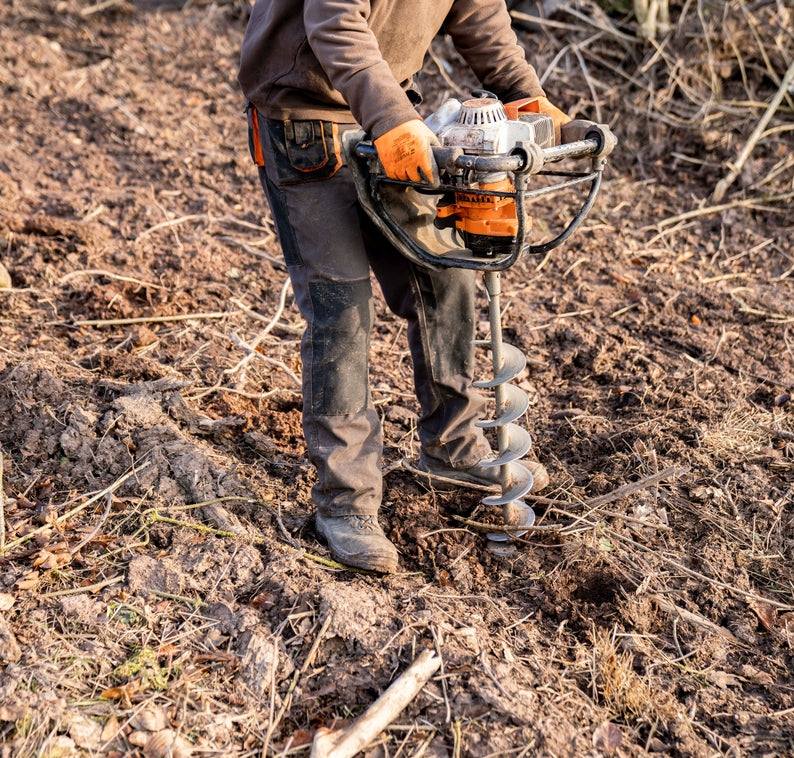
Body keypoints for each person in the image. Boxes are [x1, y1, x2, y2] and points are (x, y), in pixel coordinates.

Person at [239, 0, 580, 573]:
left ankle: (454, 441)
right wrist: (392, 118)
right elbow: (335, 22)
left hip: (394, 115)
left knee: (443, 275)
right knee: (340, 311)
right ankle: (346, 502)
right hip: (305, 123)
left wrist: (523, 94)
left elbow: (478, 14)